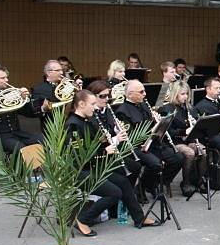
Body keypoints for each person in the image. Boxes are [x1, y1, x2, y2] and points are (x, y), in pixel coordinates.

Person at [67, 90, 157, 236]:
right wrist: (105, 151)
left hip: (93, 167)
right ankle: (83, 220)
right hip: (80, 172)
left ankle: (139, 218)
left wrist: (112, 141)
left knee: (123, 182)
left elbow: (96, 144)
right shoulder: (73, 126)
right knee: (114, 193)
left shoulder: (86, 121)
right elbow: (79, 157)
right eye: (92, 104)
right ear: (81, 104)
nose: (95, 107)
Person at [114, 80, 184, 196]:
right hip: (138, 147)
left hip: (152, 143)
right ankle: (145, 186)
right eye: (141, 92)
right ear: (130, 94)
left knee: (178, 158)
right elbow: (130, 137)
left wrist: (159, 122)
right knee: (156, 164)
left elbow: (153, 125)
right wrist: (150, 132)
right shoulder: (122, 112)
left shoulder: (144, 105)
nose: (145, 94)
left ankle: (149, 184)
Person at [87, 80, 142, 186]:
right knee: (128, 171)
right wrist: (116, 139)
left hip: (115, 150)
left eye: (108, 96)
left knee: (136, 166)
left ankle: (129, 193)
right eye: (102, 96)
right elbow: (98, 140)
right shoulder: (91, 115)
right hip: (102, 155)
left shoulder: (107, 110)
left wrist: (117, 130)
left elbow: (111, 130)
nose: (106, 99)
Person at [0, 66, 42, 151]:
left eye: (6, 77)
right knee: (20, 148)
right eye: (2, 78)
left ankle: (40, 164)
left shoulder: (11, 93)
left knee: (41, 140)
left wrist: (25, 99)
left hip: (16, 132)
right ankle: (23, 164)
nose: (7, 80)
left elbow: (29, 113)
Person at [158, 81, 204, 196]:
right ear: (175, 94)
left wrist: (195, 126)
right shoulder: (167, 108)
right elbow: (168, 132)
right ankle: (186, 183)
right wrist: (184, 131)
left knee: (203, 151)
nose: (186, 96)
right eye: (182, 94)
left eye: (187, 94)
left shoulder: (189, 108)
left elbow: (197, 124)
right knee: (189, 153)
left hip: (188, 139)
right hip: (172, 141)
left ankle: (198, 180)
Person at [32, 59, 75, 129]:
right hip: (52, 127)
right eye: (58, 70)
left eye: (61, 70)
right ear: (48, 73)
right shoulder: (39, 89)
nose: (61, 72)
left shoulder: (64, 85)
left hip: (70, 123)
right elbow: (36, 111)